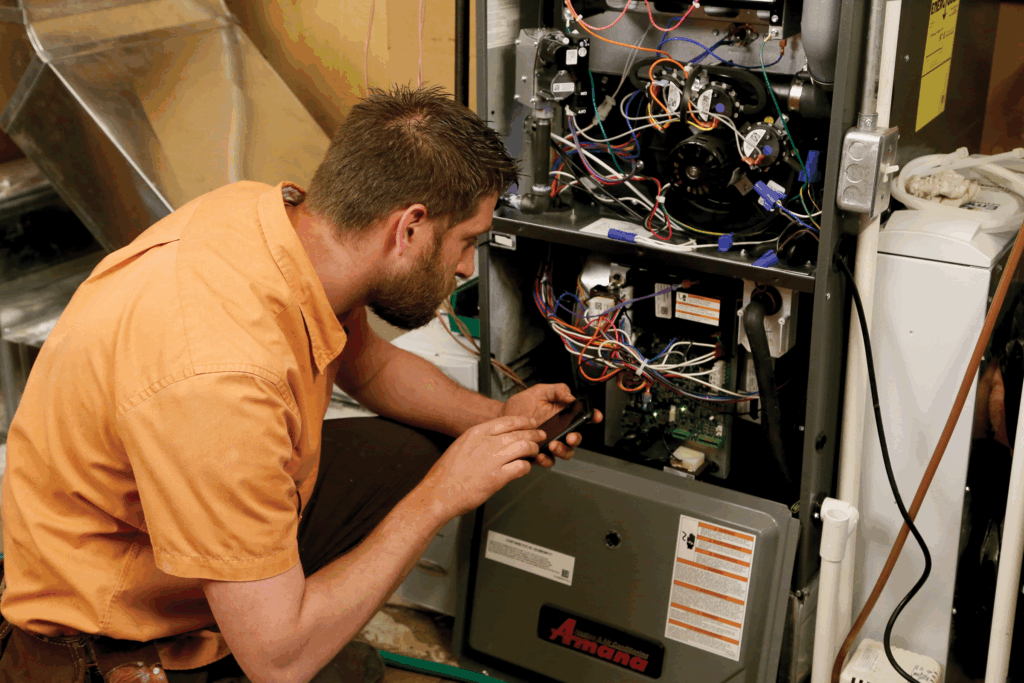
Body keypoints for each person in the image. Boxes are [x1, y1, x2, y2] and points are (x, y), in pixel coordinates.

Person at [0, 85, 601, 683]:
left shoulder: (278, 226)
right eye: (466, 241)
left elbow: (370, 367)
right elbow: (278, 665)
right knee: (327, 662)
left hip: (168, 522)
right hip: (104, 641)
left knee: (407, 453)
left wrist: (495, 423)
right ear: (409, 228)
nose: (467, 267)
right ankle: (238, 632)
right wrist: (441, 495)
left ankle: (270, 605)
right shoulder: (221, 382)